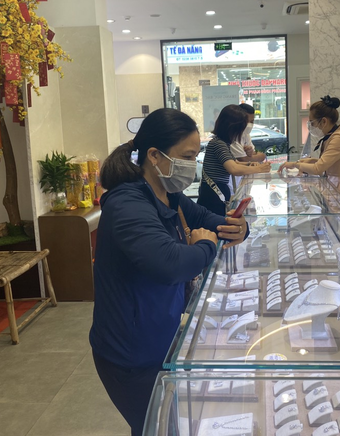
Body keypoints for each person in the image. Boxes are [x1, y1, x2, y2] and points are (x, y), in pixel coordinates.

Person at [90, 108, 248, 436]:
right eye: (187, 156)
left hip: (159, 337)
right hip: (130, 354)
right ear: (154, 156)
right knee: (155, 428)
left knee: (166, 424)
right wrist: (204, 247)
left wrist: (235, 227)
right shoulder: (127, 205)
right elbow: (170, 264)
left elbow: (205, 217)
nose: (193, 164)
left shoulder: (167, 192)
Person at [278, 95, 340, 210]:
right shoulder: (333, 135)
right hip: (337, 190)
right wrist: (308, 161)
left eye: (312, 123)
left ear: (323, 121)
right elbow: (327, 162)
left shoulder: (339, 138)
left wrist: (295, 164)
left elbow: (319, 168)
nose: (311, 126)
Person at [198, 104, 271, 215]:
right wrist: (259, 168)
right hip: (212, 195)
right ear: (232, 128)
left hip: (217, 192)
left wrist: (249, 165)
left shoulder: (223, 143)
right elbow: (233, 169)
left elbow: (235, 162)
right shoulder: (218, 144)